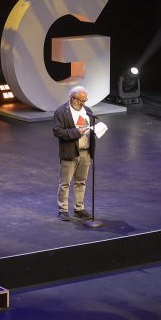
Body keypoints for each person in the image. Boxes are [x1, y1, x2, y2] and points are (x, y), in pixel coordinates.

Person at [53, 86, 97, 222]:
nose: (83, 103)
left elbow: (90, 128)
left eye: (85, 100)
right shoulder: (62, 111)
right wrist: (76, 132)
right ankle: (63, 210)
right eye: (81, 100)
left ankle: (79, 209)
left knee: (81, 182)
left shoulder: (87, 111)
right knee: (65, 183)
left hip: (86, 152)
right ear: (72, 98)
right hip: (70, 152)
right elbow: (57, 131)